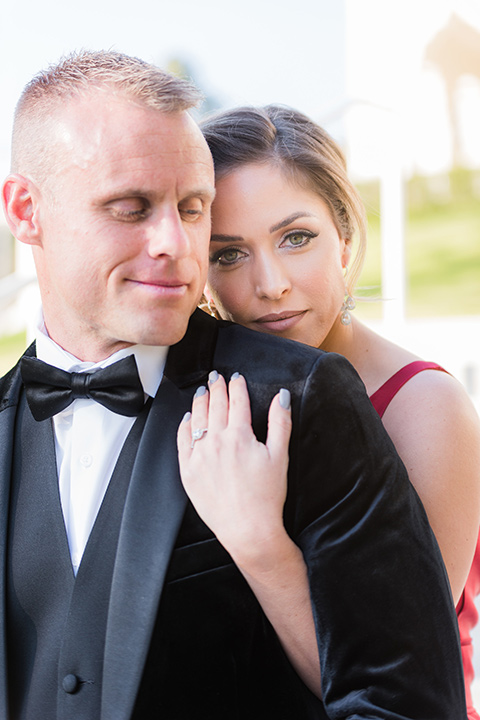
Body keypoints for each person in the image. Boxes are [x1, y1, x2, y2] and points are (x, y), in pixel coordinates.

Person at [0, 51, 468, 720]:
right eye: (131, 207)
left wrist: (257, 541)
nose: (173, 243)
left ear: (344, 233)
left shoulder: (317, 398)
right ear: (25, 210)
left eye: (190, 210)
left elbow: (407, 689)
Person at [187, 103, 480, 716]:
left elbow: (395, 673)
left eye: (296, 238)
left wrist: (258, 540)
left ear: (344, 238)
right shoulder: (207, 399)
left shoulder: (426, 407)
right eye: (229, 254)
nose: (272, 284)